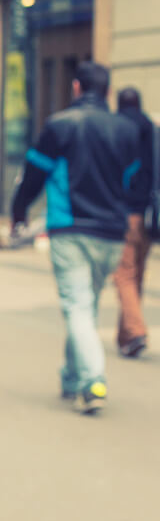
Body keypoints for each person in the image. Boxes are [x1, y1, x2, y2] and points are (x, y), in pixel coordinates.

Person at [11, 62, 144, 415]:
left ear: (75, 88)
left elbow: (33, 175)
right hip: (114, 233)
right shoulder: (126, 131)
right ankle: (71, 378)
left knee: (78, 306)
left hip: (71, 229)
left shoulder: (60, 125)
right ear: (108, 92)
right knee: (85, 305)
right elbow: (132, 180)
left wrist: (18, 214)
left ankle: (92, 381)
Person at [113, 86, 153, 358]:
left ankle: (136, 330)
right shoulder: (152, 130)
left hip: (127, 212)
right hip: (151, 215)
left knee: (123, 274)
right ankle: (126, 336)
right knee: (135, 274)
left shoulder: (118, 130)